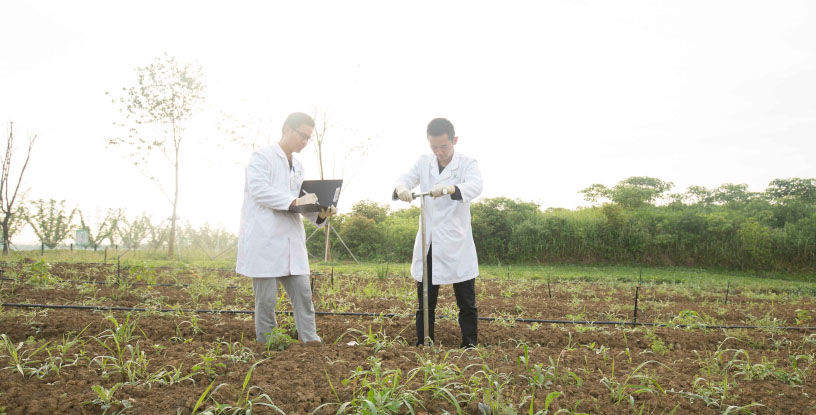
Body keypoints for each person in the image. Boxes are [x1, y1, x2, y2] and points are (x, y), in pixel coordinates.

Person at [236, 112, 337, 344]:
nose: (305, 141)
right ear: (287, 130)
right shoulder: (262, 157)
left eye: (308, 138)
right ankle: (267, 343)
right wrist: (293, 202)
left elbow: (301, 202)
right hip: (265, 240)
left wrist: (320, 213)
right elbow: (259, 190)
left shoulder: (298, 166)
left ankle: (310, 341)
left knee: (303, 295)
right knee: (267, 300)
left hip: (291, 241)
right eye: (302, 135)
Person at [393, 117, 483, 348]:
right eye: (434, 147)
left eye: (443, 146)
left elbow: (475, 185)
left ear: (454, 140)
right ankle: (424, 342)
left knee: (465, 299)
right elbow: (406, 178)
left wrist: (453, 188)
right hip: (429, 241)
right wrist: (401, 188)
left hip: (456, 241)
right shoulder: (424, 162)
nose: (439, 152)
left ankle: (469, 344)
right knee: (425, 297)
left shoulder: (467, 163)